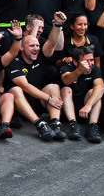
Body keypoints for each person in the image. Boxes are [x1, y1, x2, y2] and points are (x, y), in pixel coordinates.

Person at [5, 12, 68, 141]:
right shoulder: (15, 58)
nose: (36, 48)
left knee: (53, 86)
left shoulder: (38, 52)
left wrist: (57, 25)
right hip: (20, 104)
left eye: (38, 46)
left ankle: (55, 123)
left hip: (37, 99)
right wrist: (49, 98)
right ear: (22, 48)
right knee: (16, 90)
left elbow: (51, 43)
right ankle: (40, 125)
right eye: (32, 46)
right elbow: (25, 86)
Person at [59, 46, 104, 142]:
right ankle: (73, 124)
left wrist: (88, 105)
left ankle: (93, 126)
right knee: (66, 89)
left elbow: (101, 87)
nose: (90, 64)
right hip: (68, 108)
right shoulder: (67, 68)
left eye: (91, 60)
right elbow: (66, 80)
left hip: (85, 109)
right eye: (86, 61)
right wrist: (79, 70)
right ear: (76, 62)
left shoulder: (94, 68)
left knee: (95, 92)